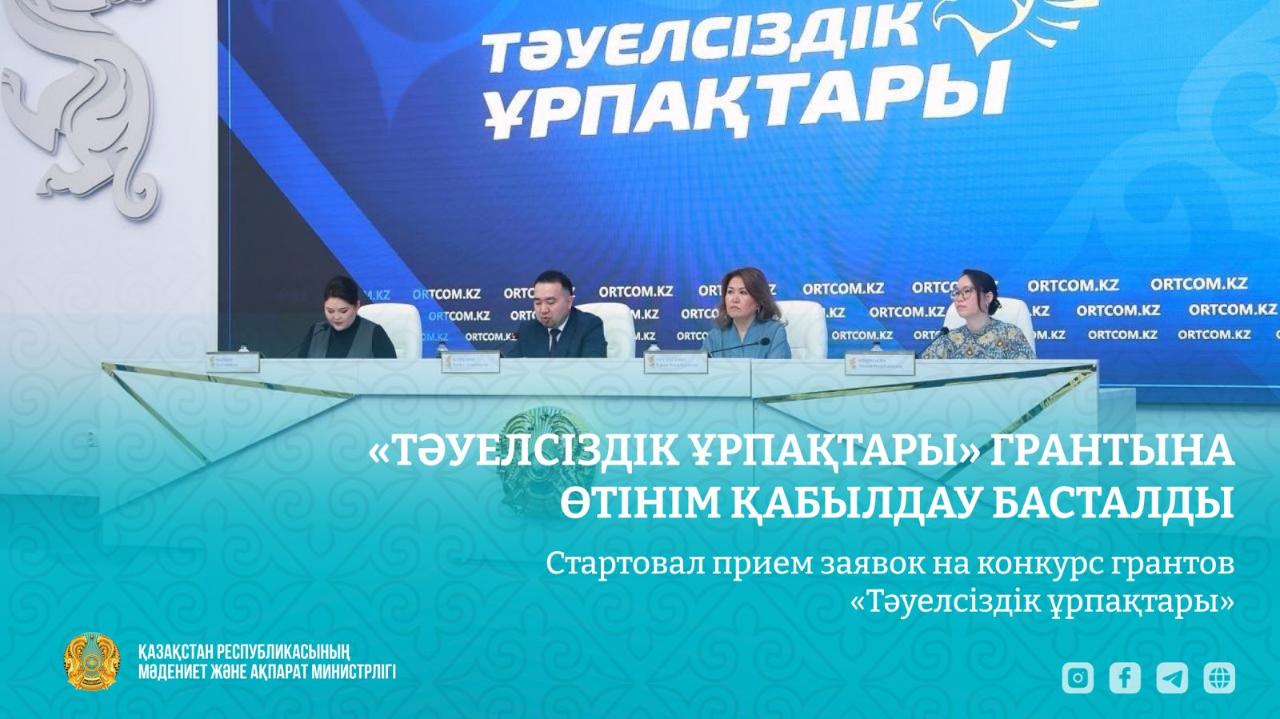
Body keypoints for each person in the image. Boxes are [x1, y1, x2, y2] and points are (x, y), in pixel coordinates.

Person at [921, 268, 1034, 359]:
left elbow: (1030, 375)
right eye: (957, 292)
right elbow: (923, 371)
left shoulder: (1010, 334)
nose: (959, 298)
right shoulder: (947, 339)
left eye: (967, 291)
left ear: (988, 297)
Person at [505, 270, 607, 358]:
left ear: (569, 302)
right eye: (538, 303)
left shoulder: (589, 326)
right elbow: (511, 366)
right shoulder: (526, 329)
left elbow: (593, 368)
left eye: (550, 302)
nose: (543, 310)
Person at [297, 275, 397, 358]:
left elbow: (391, 372)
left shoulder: (375, 334)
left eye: (343, 311)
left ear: (357, 306)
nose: (336, 317)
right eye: (330, 311)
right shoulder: (316, 332)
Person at [702, 267, 791, 359]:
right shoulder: (715, 336)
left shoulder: (774, 332)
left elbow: (778, 367)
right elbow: (702, 366)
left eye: (743, 292)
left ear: (758, 300)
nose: (734, 299)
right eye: (730, 292)